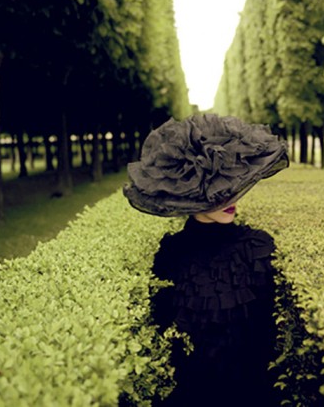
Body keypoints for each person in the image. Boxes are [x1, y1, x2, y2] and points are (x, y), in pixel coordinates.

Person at [123, 114, 289, 407]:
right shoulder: (171, 255)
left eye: (231, 184)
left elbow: (268, 341)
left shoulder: (258, 247)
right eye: (214, 189)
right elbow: (166, 338)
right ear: (189, 192)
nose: (230, 197)